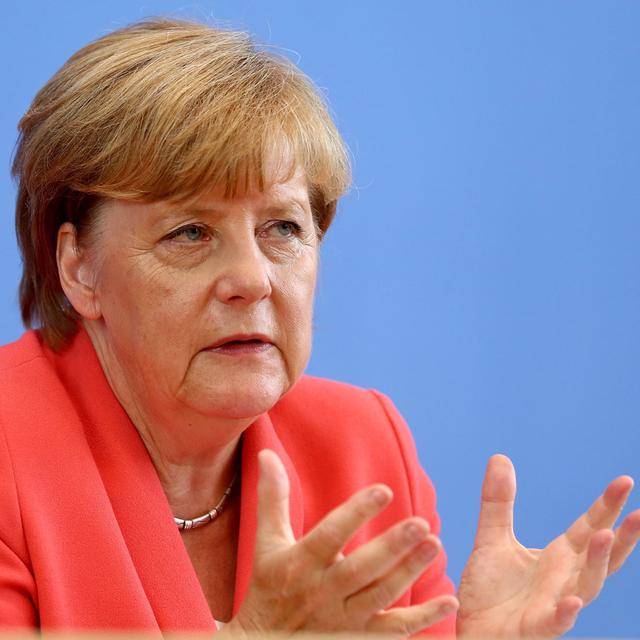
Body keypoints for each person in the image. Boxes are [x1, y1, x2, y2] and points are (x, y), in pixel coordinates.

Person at [1, 17, 638, 637]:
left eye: (282, 228)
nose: (252, 279)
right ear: (78, 268)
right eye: (189, 233)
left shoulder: (364, 449)